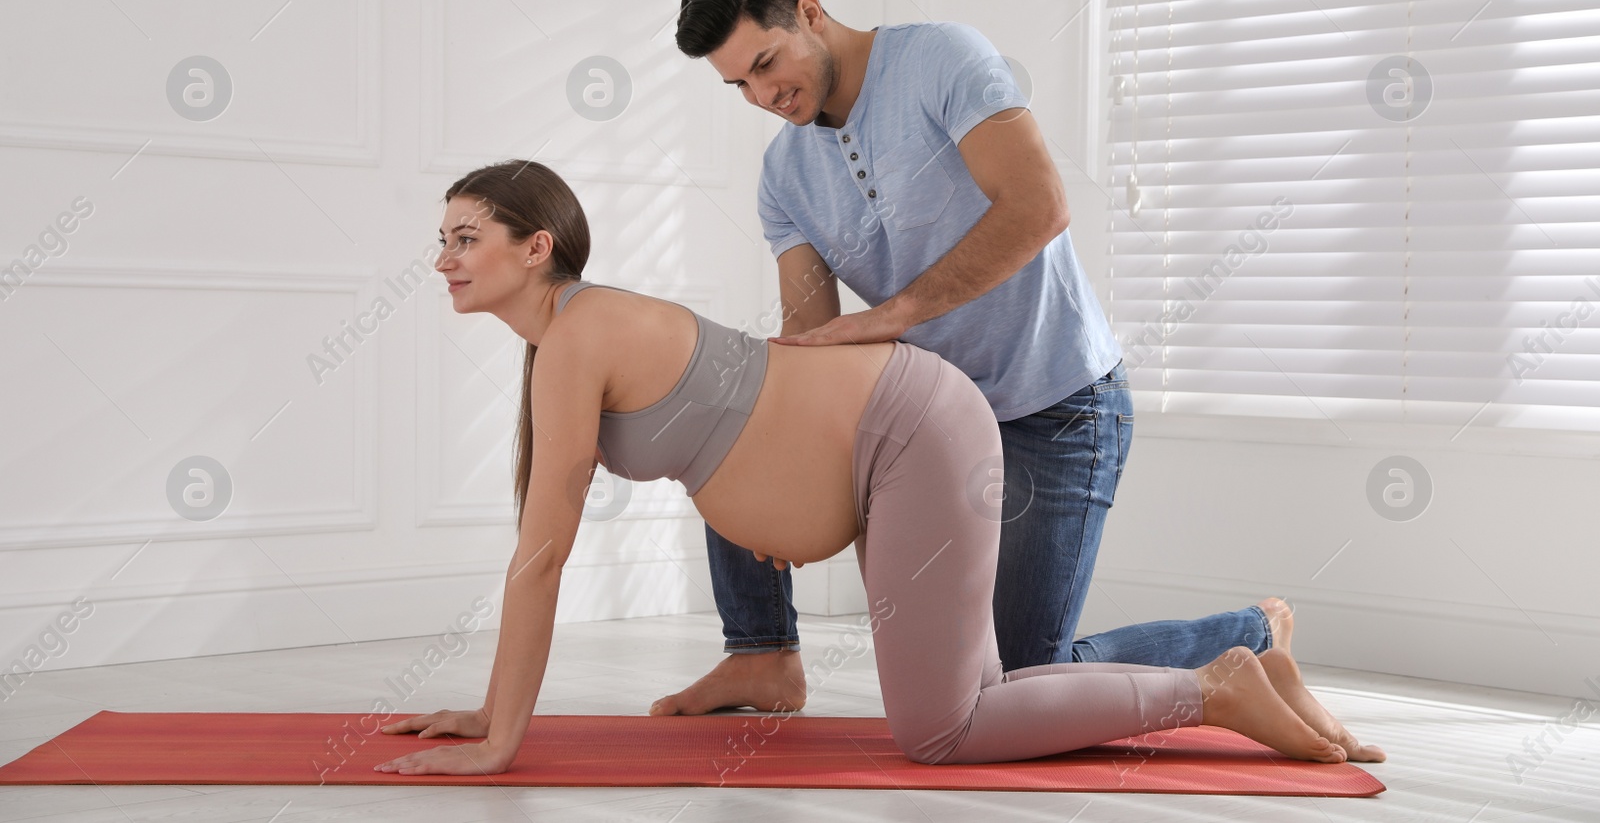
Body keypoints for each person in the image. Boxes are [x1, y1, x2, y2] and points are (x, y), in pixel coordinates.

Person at [372, 160, 1382, 776]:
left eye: (466, 237)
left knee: (943, 728)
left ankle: (1212, 687)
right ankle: (1244, 655)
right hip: (894, 437)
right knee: (985, 687)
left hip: (909, 431)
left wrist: (502, 738)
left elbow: (539, 557)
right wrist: (493, 714)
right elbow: (545, 545)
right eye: (442, 238)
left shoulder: (579, 334)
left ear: (534, 245)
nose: (445, 258)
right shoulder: (569, 341)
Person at [652, 0, 1287, 720]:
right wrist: (772, 489)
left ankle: (1250, 636)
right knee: (734, 405)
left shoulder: (941, 59)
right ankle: (759, 654)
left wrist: (893, 315)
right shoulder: (785, 176)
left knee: (1019, 674)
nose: (761, 94)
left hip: (1058, 408)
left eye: (766, 61)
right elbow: (812, 345)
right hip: (934, 430)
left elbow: (1038, 205)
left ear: (811, 12)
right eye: (737, 83)